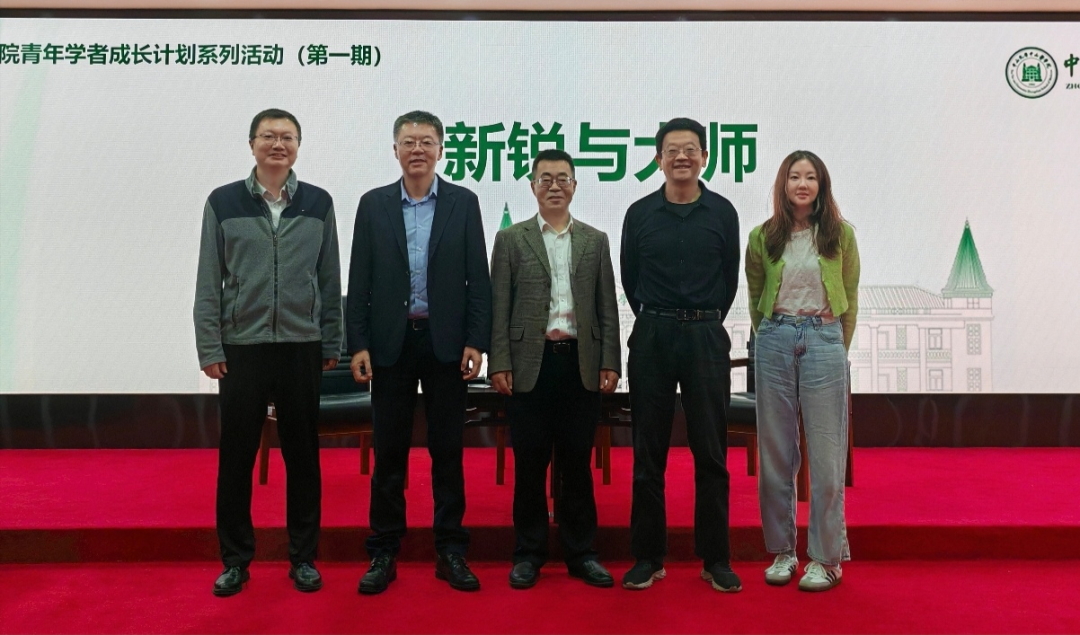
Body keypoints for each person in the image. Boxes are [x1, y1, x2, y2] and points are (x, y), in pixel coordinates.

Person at [194, 108, 342, 597]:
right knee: (236, 456)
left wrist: (332, 340)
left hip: (301, 347)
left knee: (303, 457)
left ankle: (304, 557)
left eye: (287, 137)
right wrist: (210, 345)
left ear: (298, 146)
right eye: (268, 136)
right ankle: (236, 560)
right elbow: (209, 280)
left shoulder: (318, 203)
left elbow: (329, 278)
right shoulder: (223, 202)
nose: (278, 145)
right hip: (242, 348)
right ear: (252, 143)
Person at [346, 110, 492, 594]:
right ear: (395, 150)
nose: (417, 150)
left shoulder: (463, 203)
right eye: (408, 142)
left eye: (426, 141)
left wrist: (477, 340)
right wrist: (358, 343)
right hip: (391, 343)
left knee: (447, 450)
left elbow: (478, 279)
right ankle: (384, 550)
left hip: (445, 342)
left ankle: (450, 550)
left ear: (441, 149)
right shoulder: (373, 205)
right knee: (389, 452)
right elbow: (360, 280)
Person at [488, 149, 621, 590]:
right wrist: (499, 361)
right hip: (530, 365)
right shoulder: (511, 239)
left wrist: (610, 360)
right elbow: (499, 305)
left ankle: (582, 554)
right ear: (532, 186)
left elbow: (606, 306)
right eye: (545, 178)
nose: (554, 186)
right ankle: (528, 554)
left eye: (563, 178)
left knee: (577, 464)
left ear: (575, 185)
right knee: (530, 464)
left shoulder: (595, 240)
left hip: (579, 363)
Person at [620, 118, 742, 593]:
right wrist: (660, 317)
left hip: (705, 337)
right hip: (652, 334)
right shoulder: (639, 213)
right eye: (672, 150)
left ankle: (716, 558)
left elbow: (728, 279)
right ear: (658, 159)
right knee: (648, 452)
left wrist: (700, 319)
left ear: (705, 157)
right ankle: (648, 557)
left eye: (690, 149)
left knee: (710, 451)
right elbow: (630, 277)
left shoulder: (723, 212)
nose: (681, 157)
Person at [745, 150, 859, 592]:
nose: (803, 184)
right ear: (784, 184)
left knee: (827, 456)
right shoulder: (762, 236)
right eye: (795, 176)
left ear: (821, 185)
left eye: (811, 177)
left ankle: (826, 559)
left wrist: (834, 344)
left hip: (823, 338)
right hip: (774, 337)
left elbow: (849, 294)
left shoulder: (840, 235)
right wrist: (769, 336)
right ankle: (783, 551)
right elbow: (756, 293)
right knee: (776, 455)